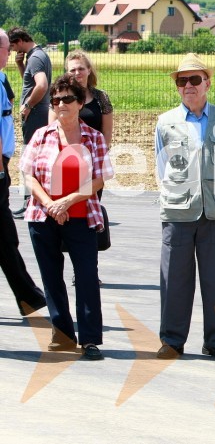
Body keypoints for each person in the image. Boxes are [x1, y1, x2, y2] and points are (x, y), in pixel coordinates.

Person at [19, 75, 113, 360]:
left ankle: (90, 340)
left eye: (67, 99)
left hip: (82, 215)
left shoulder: (93, 138)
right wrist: (50, 204)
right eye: (56, 100)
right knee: (51, 277)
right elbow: (27, 174)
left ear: (80, 103)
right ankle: (61, 335)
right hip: (42, 215)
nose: (60, 104)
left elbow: (99, 179)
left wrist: (68, 201)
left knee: (86, 276)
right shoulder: (41, 135)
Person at [155, 53, 215, 361]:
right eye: (182, 81)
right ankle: (172, 341)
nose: (188, 85)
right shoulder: (166, 122)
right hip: (178, 211)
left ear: (207, 83)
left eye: (194, 79)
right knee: (174, 279)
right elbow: (161, 167)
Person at [0, 28, 47, 317]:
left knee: (5, 235)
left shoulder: (2, 77)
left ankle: (29, 297)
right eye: (6, 49)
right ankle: (29, 296)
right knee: (5, 233)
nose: (9, 54)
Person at [8, 27, 53, 218]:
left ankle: (30, 203)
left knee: (30, 159)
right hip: (39, 113)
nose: (10, 50)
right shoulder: (38, 56)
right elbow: (31, 84)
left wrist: (27, 105)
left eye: (11, 46)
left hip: (35, 115)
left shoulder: (35, 58)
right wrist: (20, 66)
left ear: (19, 41)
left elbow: (41, 85)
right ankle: (30, 201)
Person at [50, 51, 113, 148]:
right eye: (72, 70)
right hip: (65, 152)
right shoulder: (58, 98)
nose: (77, 73)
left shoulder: (101, 97)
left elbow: (107, 131)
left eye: (81, 69)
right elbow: (52, 128)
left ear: (89, 70)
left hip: (94, 151)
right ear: (67, 72)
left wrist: (102, 153)